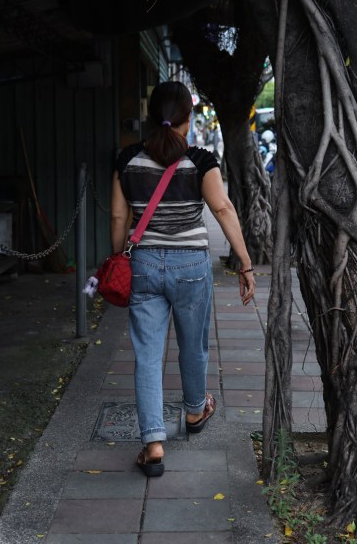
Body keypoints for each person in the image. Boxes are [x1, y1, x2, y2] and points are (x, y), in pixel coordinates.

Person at [110, 80, 257, 478]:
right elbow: (223, 210)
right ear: (187, 120)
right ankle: (195, 412)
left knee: (147, 353)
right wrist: (243, 261)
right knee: (194, 345)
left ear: (151, 117)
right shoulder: (200, 161)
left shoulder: (127, 160)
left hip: (143, 264)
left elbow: (119, 217)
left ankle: (154, 443)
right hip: (191, 266)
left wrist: (119, 254)